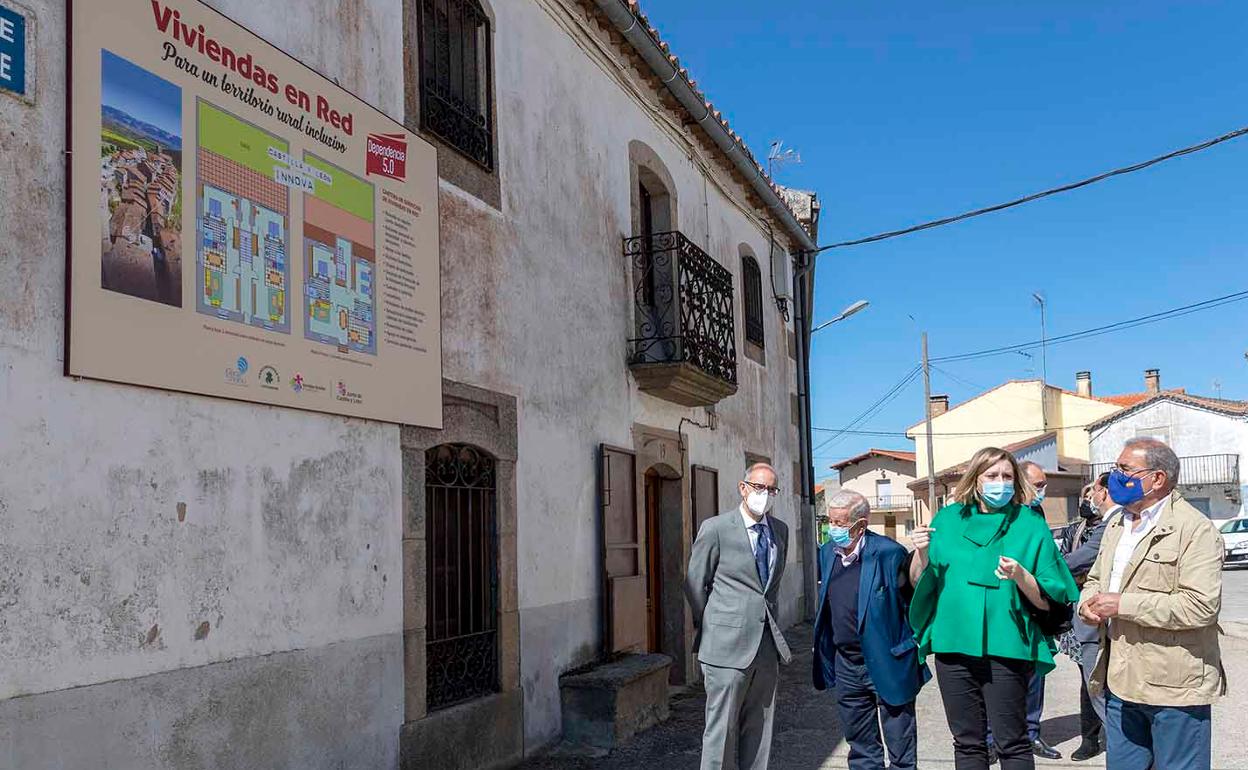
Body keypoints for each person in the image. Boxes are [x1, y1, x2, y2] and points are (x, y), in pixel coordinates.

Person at [909, 447, 1078, 770]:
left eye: (1006, 476)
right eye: (991, 475)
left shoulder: (1029, 523)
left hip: (1008, 645)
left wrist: (1020, 575)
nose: (999, 482)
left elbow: (1050, 598)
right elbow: (921, 583)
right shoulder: (947, 520)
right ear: (976, 479)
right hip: (954, 644)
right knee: (967, 742)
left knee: (1012, 742)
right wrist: (921, 553)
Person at [1078, 438, 1225, 770]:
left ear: (1157, 478)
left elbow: (1200, 606)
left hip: (1174, 689)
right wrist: (1087, 604)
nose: (1115, 476)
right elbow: (1097, 579)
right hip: (1120, 681)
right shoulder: (1117, 523)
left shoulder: (1194, 530)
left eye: (1125, 469)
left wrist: (1122, 605)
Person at [685, 462, 793, 770]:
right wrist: (714, 624)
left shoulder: (780, 531)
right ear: (743, 488)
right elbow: (695, 583)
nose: (765, 495)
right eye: (759, 487)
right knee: (720, 734)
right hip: (725, 647)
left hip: (766, 647)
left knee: (760, 732)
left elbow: (770, 588)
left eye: (771, 489)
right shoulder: (716, 528)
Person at [811, 491, 928, 770]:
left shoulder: (888, 553)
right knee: (861, 749)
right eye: (831, 521)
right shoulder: (827, 552)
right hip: (847, 665)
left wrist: (922, 554)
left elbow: (912, 591)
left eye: (841, 523)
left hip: (888, 661)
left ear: (861, 525)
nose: (834, 528)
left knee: (901, 749)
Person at [986, 461, 1061, 762]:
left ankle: (1031, 734)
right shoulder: (997, 515)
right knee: (996, 681)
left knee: (1034, 678)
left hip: (1034, 608)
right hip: (1001, 609)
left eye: (1044, 485)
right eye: (1038, 485)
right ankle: (993, 739)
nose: (1042, 491)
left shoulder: (1036, 516)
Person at [1059, 473, 1114, 761]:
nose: (1088, 499)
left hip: (1102, 615)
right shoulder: (1076, 528)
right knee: (1089, 680)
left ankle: (1120, 742)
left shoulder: (1112, 527)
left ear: (1102, 493)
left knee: (1101, 685)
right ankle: (1091, 738)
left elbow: (1075, 561)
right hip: (1083, 612)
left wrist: (1040, 567)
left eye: (1091, 492)